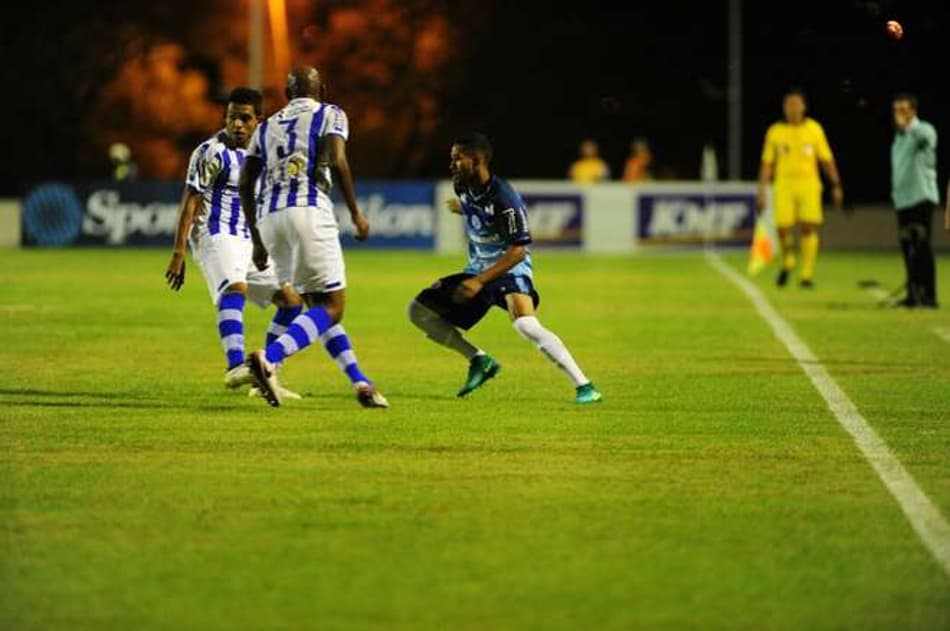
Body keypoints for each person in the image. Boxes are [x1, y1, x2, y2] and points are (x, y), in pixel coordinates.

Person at [408, 132, 602, 404]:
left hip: (508, 268)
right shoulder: (461, 185)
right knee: (420, 312)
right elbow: (480, 209)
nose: (451, 164)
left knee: (526, 324)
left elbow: (518, 250)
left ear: (476, 161)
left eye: (457, 159)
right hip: (478, 269)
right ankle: (479, 360)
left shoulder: (505, 200)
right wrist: (465, 210)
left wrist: (479, 281)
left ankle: (585, 386)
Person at [239, 65, 388, 408]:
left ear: (287, 95)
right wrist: (355, 212)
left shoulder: (265, 127)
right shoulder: (330, 113)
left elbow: (246, 182)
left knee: (315, 307)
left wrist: (258, 240)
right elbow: (337, 158)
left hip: (270, 218)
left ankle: (360, 382)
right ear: (322, 90)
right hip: (309, 210)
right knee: (333, 307)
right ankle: (269, 359)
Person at [164, 87, 304, 399]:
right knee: (235, 288)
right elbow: (191, 198)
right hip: (215, 234)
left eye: (244, 118)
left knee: (292, 301)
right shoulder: (211, 151)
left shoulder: (267, 153)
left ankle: (265, 371)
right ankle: (234, 367)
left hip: (250, 240)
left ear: (259, 121)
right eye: (232, 118)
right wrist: (178, 251)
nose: (236, 125)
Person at [757, 88, 843, 288]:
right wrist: (762, 189)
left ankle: (806, 274)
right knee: (783, 228)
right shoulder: (775, 132)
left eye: (796, 104)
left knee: (808, 226)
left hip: (809, 184)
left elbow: (826, 160)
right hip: (784, 185)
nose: (793, 108)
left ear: (804, 107)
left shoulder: (814, 129)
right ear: (784, 108)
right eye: (789, 105)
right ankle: (788, 260)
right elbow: (767, 163)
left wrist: (836, 184)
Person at [891, 93, 939, 308]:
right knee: (907, 247)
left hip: (921, 197)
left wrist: (909, 127)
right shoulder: (899, 138)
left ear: (912, 111)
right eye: (895, 110)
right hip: (903, 200)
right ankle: (913, 294)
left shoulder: (923, 130)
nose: (898, 114)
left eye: (902, 109)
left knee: (922, 247)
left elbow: (927, 140)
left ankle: (929, 296)